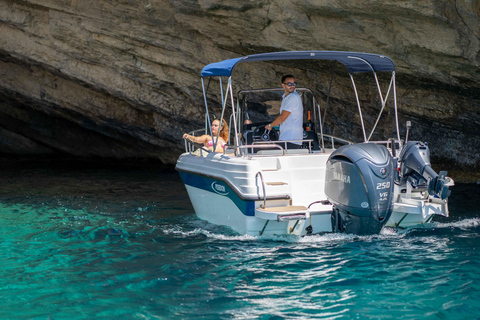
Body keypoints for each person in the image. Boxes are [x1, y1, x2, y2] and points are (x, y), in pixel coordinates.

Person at [266, 75, 303, 149]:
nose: (292, 86)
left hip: (290, 138)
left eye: (294, 84)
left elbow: (282, 118)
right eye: (289, 84)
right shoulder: (287, 97)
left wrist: (270, 126)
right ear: (283, 85)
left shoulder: (293, 97)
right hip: (288, 138)